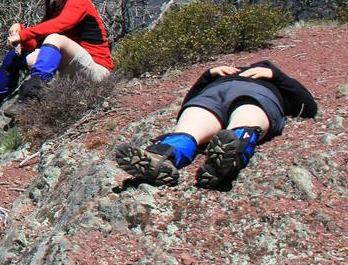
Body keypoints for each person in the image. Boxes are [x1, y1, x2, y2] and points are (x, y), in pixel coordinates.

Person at [115, 60, 317, 188]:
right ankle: (162, 158)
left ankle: (227, 155)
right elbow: (188, 102)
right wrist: (208, 75)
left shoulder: (271, 76)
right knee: (190, 128)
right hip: (213, 93)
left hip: (257, 94)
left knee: (245, 119)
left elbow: (308, 106)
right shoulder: (217, 75)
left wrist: (276, 75)